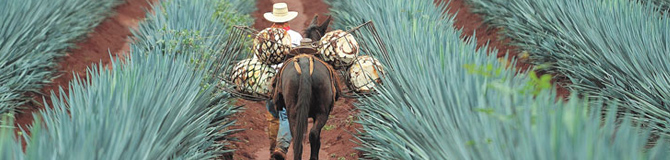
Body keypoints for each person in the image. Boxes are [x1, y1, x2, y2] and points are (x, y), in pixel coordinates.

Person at [262, 2, 302, 158]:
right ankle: (281, 148)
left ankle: (274, 151)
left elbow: (256, 60)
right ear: (288, 20)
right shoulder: (296, 36)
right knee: (286, 114)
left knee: (273, 115)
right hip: (291, 81)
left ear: (273, 19)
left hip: (270, 79)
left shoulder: (264, 35)